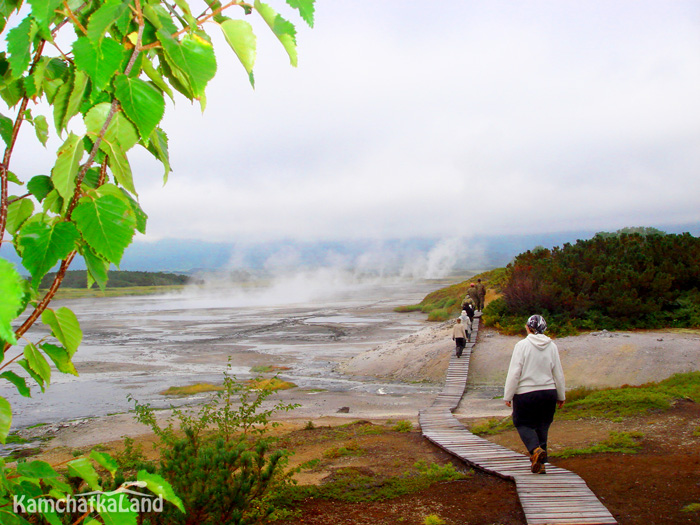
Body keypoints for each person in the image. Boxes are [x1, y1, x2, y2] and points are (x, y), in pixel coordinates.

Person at [503, 315, 565, 474]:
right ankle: (541, 465)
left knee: (522, 423)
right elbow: (558, 373)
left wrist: (508, 395)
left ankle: (535, 451)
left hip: (526, 393)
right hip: (548, 393)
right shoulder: (552, 346)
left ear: (528, 328)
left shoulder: (522, 345)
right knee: (542, 426)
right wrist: (561, 395)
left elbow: (515, 372)